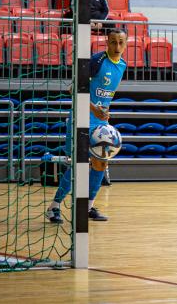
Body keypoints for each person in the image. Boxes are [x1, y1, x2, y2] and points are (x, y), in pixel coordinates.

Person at [46, 29, 127, 223]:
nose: (117, 47)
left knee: (101, 163)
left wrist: (104, 111)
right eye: (113, 42)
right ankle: (54, 207)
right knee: (77, 165)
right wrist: (93, 108)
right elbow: (73, 89)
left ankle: (88, 207)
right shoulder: (96, 61)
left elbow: (103, 95)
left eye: (121, 43)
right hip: (80, 118)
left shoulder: (123, 65)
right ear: (106, 42)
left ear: (126, 44)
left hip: (100, 122)